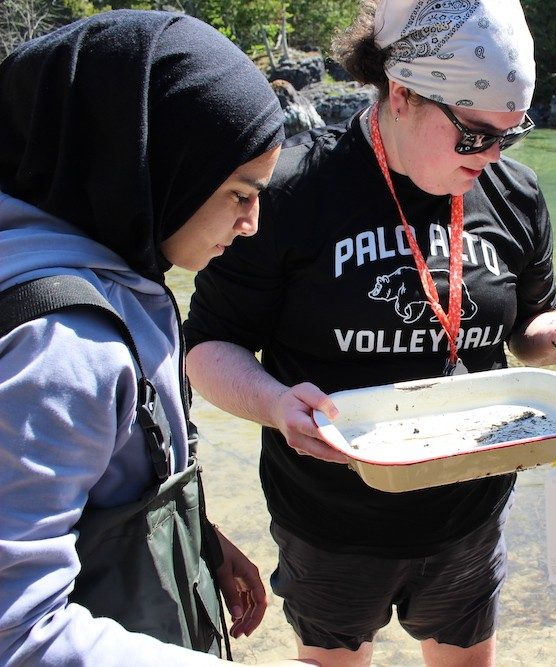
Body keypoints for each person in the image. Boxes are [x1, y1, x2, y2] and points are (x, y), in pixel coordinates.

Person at [182, 0, 556, 665]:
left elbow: (525, 334)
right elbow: (208, 349)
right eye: (472, 134)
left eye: (509, 135)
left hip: (469, 518)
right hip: (331, 521)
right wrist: (276, 405)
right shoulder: (290, 192)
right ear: (401, 94)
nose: (488, 156)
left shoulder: (515, 194)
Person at [0, 10, 307, 666]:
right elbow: (18, 632)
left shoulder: (82, 254)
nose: (253, 222)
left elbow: (83, 490)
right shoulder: (63, 346)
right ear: (157, 167)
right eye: (239, 193)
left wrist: (202, 542)